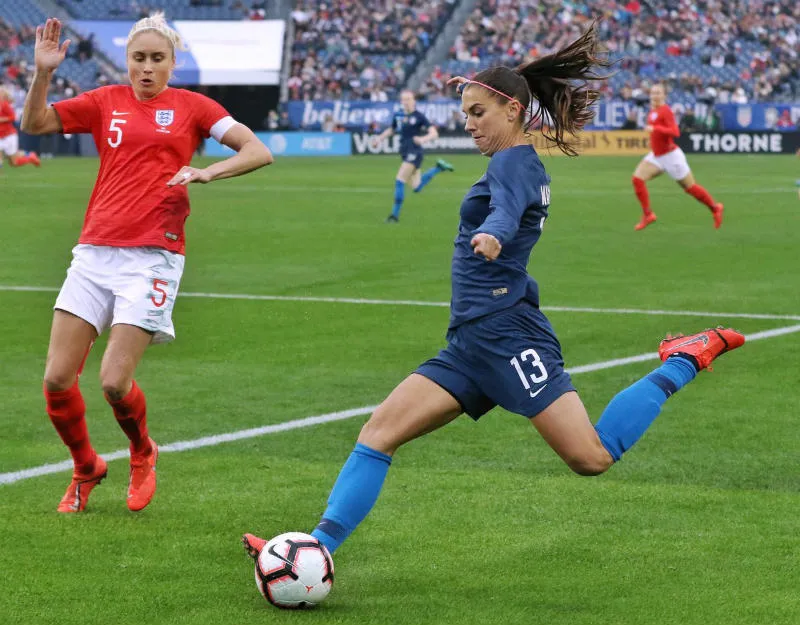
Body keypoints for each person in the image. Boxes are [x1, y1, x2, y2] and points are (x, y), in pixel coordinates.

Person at [243, 22, 744, 567]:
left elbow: (506, 207)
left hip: (506, 334)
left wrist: (495, 233)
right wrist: (495, 230)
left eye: (477, 112)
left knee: (591, 457)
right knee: (379, 433)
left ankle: (682, 359)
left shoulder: (515, 162)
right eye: (464, 114)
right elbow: (507, 201)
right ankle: (313, 550)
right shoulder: (515, 163)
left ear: (512, 111)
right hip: (470, 342)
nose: (469, 123)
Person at [22, 15, 272, 513]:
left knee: (113, 381)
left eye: (158, 59)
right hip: (94, 252)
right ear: (127, 61)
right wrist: (43, 73)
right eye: (139, 58)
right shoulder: (103, 102)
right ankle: (86, 466)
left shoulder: (193, 106)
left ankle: (142, 452)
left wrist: (208, 172)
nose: (147, 67)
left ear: (173, 64)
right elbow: (35, 124)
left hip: (154, 256)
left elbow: (256, 150)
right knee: (55, 378)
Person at [631, 83, 723, 231]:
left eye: (658, 93)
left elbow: (675, 132)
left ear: (664, 96)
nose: (654, 96)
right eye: (653, 93)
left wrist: (656, 129)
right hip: (657, 156)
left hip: (671, 157)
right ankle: (648, 214)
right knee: (637, 179)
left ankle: (715, 208)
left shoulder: (666, 110)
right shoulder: (652, 111)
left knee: (690, 188)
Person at [370, 89, 454, 223]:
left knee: (400, 180)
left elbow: (434, 133)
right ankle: (438, 168)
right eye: (403, 99)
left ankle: (394, 216)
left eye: (408, 99)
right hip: (405, 152)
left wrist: (422, 140)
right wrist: (379, 139)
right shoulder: (398, 115)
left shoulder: (419, 116)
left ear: (414, 100)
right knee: (416, 186)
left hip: (414, 152)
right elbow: (392, 130)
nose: (406, 102)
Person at [0, 86, 41, 169]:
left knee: (14, 163)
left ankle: (30, 157)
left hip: (8, 136)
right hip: (1, 136)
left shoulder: (4, 105)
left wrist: (1, 119)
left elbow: (13, 117)